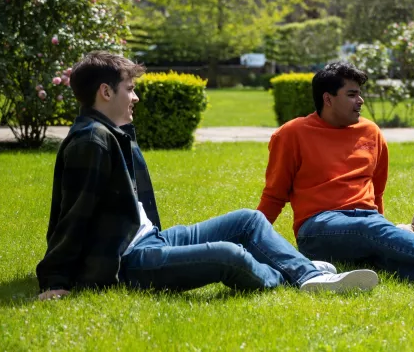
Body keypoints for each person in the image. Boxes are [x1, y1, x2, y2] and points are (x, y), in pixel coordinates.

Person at [36, 52, 378, 301]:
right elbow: (73, 214)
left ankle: (306, 272)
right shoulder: (91, 141)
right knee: (229, 255)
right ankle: (294, 276)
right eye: (129, 88)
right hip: (128, 261)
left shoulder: (112, 132)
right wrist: (55, 280)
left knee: (247, 220)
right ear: (105, 92)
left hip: (149, 240)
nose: (136, 96)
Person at [257, 62, 414, 296]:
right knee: (369, 230)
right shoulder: (291, 134)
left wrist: (386, 233)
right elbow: (274, 195)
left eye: (360, 94)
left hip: (368, 221)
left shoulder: (370, 132)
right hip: (318, 229)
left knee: (386, 252)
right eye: (352, 94)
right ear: (327, 99)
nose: (360, 101)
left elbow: (377, 191)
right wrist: (255, 240)